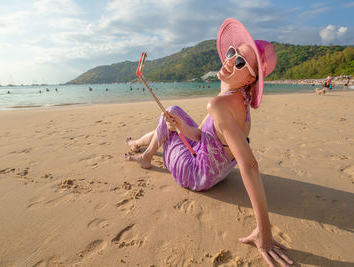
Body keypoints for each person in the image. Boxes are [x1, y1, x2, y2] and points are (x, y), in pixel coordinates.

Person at [125, 18, 293, 266]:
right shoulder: (238, 100)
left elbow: (250, 165)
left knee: (168, 112)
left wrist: (264, 231)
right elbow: (207, 136)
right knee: (174, 118)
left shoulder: (218, 105)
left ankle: (146, 154)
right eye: (232, 52)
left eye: (239, 62)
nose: (229, 60)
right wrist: (182, 127)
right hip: (219, 169)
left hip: (197, 175)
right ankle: (142, 147)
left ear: (250, 79)